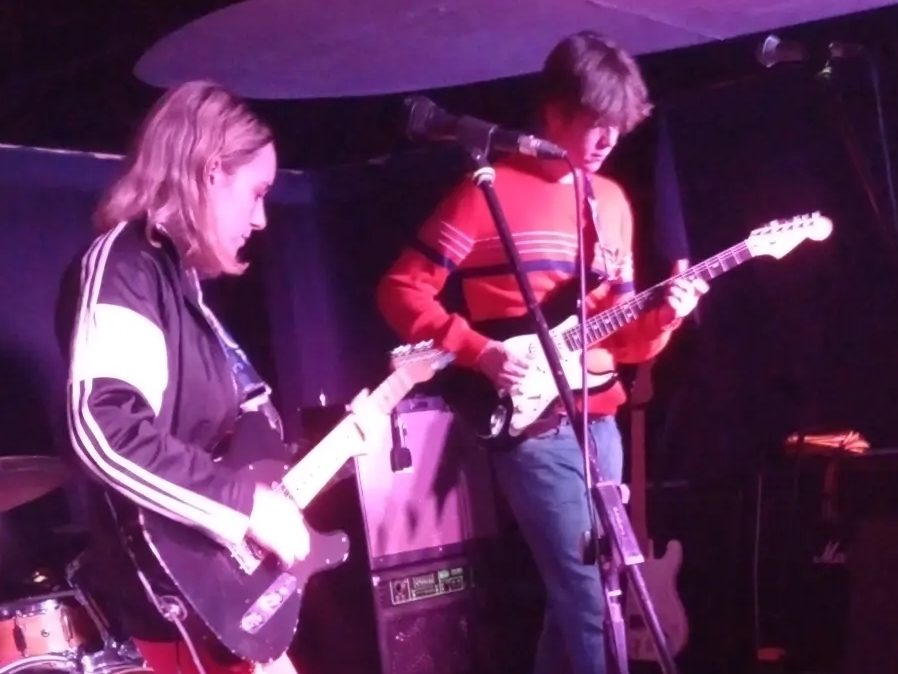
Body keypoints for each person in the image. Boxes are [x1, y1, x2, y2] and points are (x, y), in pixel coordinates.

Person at [376, 31, 708, 674]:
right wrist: (477, 350)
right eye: (597, 122)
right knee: (585, 595)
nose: (609, 139)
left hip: (601, 422)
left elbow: (622, 338)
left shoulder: (611, 202)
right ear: (555, 112)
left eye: (620, 125)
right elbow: (400, 288)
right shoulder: (486, 190)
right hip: (535, 428)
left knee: (586, 592)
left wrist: (666, 315)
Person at [56, 80, 310, 674]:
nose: (261, 219)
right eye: (257, 193)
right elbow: (104, 427)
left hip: (213, 595)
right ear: (211, 171)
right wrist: (245, 506)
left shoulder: (176, 279)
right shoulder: (125, 264)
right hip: (171, 601)